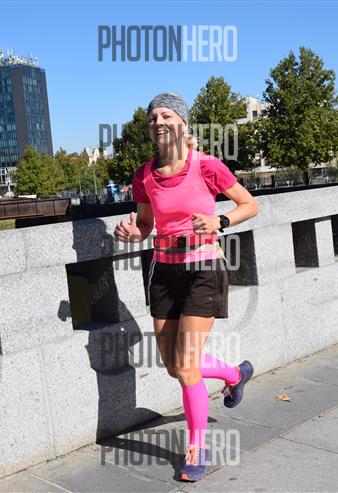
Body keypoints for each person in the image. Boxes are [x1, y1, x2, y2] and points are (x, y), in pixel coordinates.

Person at [114, 92, 258, 481]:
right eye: (152, 118)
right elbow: (146, 225)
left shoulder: (207, 165)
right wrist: (132, 233)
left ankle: (197, 448)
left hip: (203, 267)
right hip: (164, 271)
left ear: (182, 123)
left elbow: (249, 204)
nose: (158, 122)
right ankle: (233, 374)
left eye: (166, 115)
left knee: (187, 366)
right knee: (173, 366)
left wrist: (219, 222)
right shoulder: (144, 175)